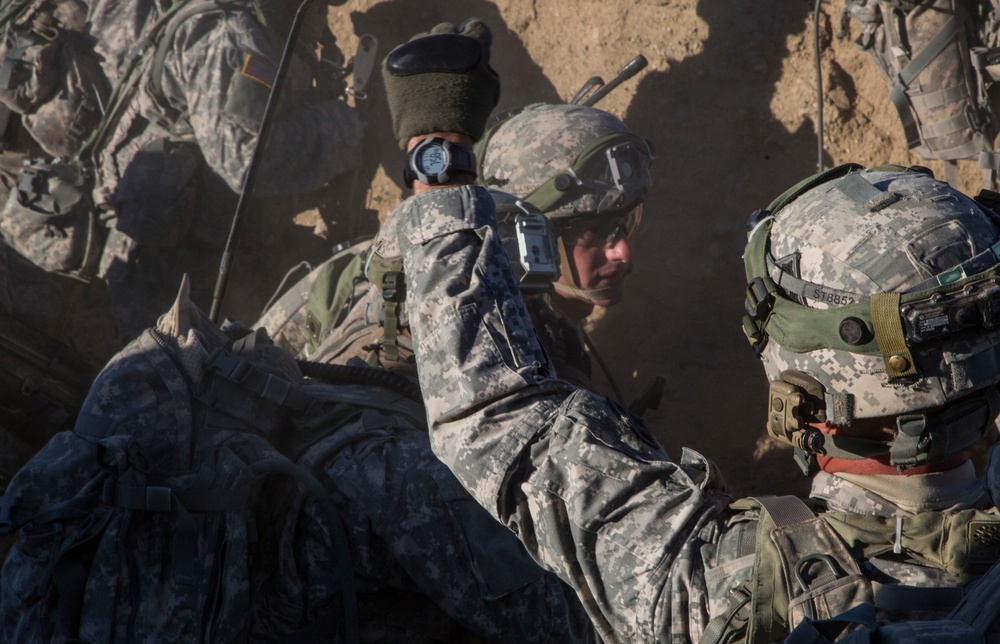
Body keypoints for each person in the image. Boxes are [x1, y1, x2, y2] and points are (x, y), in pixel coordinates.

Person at [373, 20, 1000, 643]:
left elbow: (493, 414)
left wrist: (442, 168)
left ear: (806, 391)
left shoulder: (712, 587)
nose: (621, 253)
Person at [0, 0, 365, 344]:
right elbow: (248, 158)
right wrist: (348, 126)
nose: (319, 19)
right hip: (182, 295)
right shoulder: (221, 34)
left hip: (148, 261)